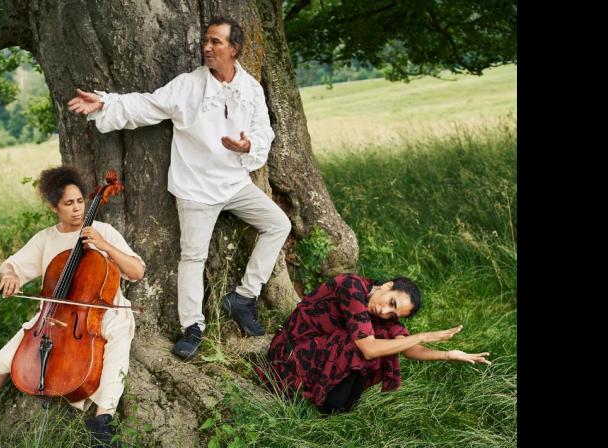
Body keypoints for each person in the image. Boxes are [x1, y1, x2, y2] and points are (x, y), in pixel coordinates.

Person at [67, 16, 291, 361]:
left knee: (279, 224)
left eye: (216, 42)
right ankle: (193, 327)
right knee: (193, 257)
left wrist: (249, 146)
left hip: (234, 183)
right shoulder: (188, 85)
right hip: (196, 189)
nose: (207, 47)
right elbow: (147, 105)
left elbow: (264, 131)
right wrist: (105, 103)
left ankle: (244, 297)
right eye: (206, 40)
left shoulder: (251, 89)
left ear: (235, 49)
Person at [0, 165, 145, 447]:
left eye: (80, 201)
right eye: (69, 204)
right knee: (6, 358)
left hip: (103, 312)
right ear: (54, 207)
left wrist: (105, 245)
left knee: (119, 339)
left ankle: (103, 421)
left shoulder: (103, 230)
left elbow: (137, 271)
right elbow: (11, 266)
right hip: (53, 316)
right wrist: (9, 276)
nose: (77, 209)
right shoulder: (46, 238)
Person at [259, 273, 490, 414]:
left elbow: (406, 347)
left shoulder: (380, 313)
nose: (384, 311)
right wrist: (421, 335)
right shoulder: (351, 286)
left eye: (393, 313)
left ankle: (337, 406)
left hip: (315, 352)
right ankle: (328, 403)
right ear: (387, 286)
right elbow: (368, 349)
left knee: (385, 339)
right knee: (364, 345)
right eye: (391, 302)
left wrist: (447, 354)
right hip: (290, 352)